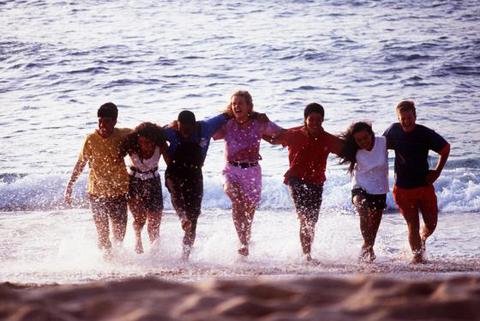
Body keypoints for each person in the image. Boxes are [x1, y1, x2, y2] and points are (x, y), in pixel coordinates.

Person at [269, 103, 343, 262]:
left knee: (312, 221)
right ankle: (306, 256)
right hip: (295, 180)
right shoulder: (293, 134)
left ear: (323, 120)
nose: (315, 123)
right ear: (305, 120)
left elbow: (348, 150)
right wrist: (255, 121)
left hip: (316, 182)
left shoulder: (328, 139)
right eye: (311, 119)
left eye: (319, 120)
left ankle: (307, 253)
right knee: (304, 218)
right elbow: (271, 138)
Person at [213, 90, 283, 257]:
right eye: (234, 103)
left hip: (252, 171)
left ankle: (245, 239)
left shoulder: (259, 124)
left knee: (249, 211)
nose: (236, 106)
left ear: (249, 106)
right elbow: (207, 131)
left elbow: (282, 134)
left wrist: (270, 136)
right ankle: (243, 242)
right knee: (236, 201)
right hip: (231, 170)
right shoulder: (227, 124)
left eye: (240, 103)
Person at [383, 100, 450, 264]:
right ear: (398, 118)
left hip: (424, 186)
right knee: (412, 224)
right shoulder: (393, 130)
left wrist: (437, 172)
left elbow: (445, 148)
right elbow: (379, 146)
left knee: (431, 224)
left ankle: (423, 238)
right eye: (402, 118)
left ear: (415, 116)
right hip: (403, 188)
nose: (406, 121)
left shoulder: (425, 133)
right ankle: (417, 258)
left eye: (409, 117)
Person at [65, 102, 131, 257]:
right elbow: (81, 163)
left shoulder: (123, 135)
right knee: (103, 236)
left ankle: (118, 264)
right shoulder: (90, 139)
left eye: (106, 121)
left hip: (119, 192)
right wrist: (70, 185)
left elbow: (145, 131)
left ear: (114, 121)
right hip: (96, 193)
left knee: (119, 237)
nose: (102, 125)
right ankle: (105, 265)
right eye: (100, 120)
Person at [164, 110, 230, 260]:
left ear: (195, 125)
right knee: (176, 193)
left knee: (193, 218)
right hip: (174, 171)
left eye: (189, 129)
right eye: (182, 129)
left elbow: (228, 114)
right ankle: (182, 217)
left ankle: (185, 257)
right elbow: (150, 132)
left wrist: (255, 116)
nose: (185, 133)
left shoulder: (205, 127)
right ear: (177, 125)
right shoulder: (170, 131)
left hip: (194, 173)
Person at [339, 122, 388, 262]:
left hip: (379, 189)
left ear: (371, 134)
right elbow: (330, 143)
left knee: (372, 232)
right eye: (358, 140)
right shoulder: (353, 149)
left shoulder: (383, 142)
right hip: (360, 186)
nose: (363, 142)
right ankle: (364, 254)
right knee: (362, 205)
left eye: (365, 138)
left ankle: (368, 250)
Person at [121, 122, 168, 254]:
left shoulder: (160, 145)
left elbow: (171, 164)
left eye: (150, 142)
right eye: (143, 142)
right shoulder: (131, 145)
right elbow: (115, 157)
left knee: (154, 222)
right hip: (134, 181)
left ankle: (155, 253)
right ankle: (137, 238)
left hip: (153, 181)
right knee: (140, 218)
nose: (147, 146)